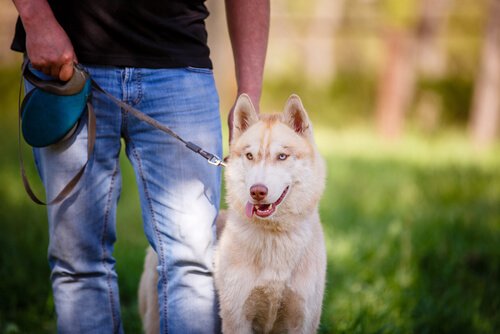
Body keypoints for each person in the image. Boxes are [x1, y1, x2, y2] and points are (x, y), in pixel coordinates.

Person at [11, 0, 269, 333]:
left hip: (180, 65)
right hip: (65, 64)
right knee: (77, 262)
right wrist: (36, 17)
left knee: (192, 261)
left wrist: (250, 93)